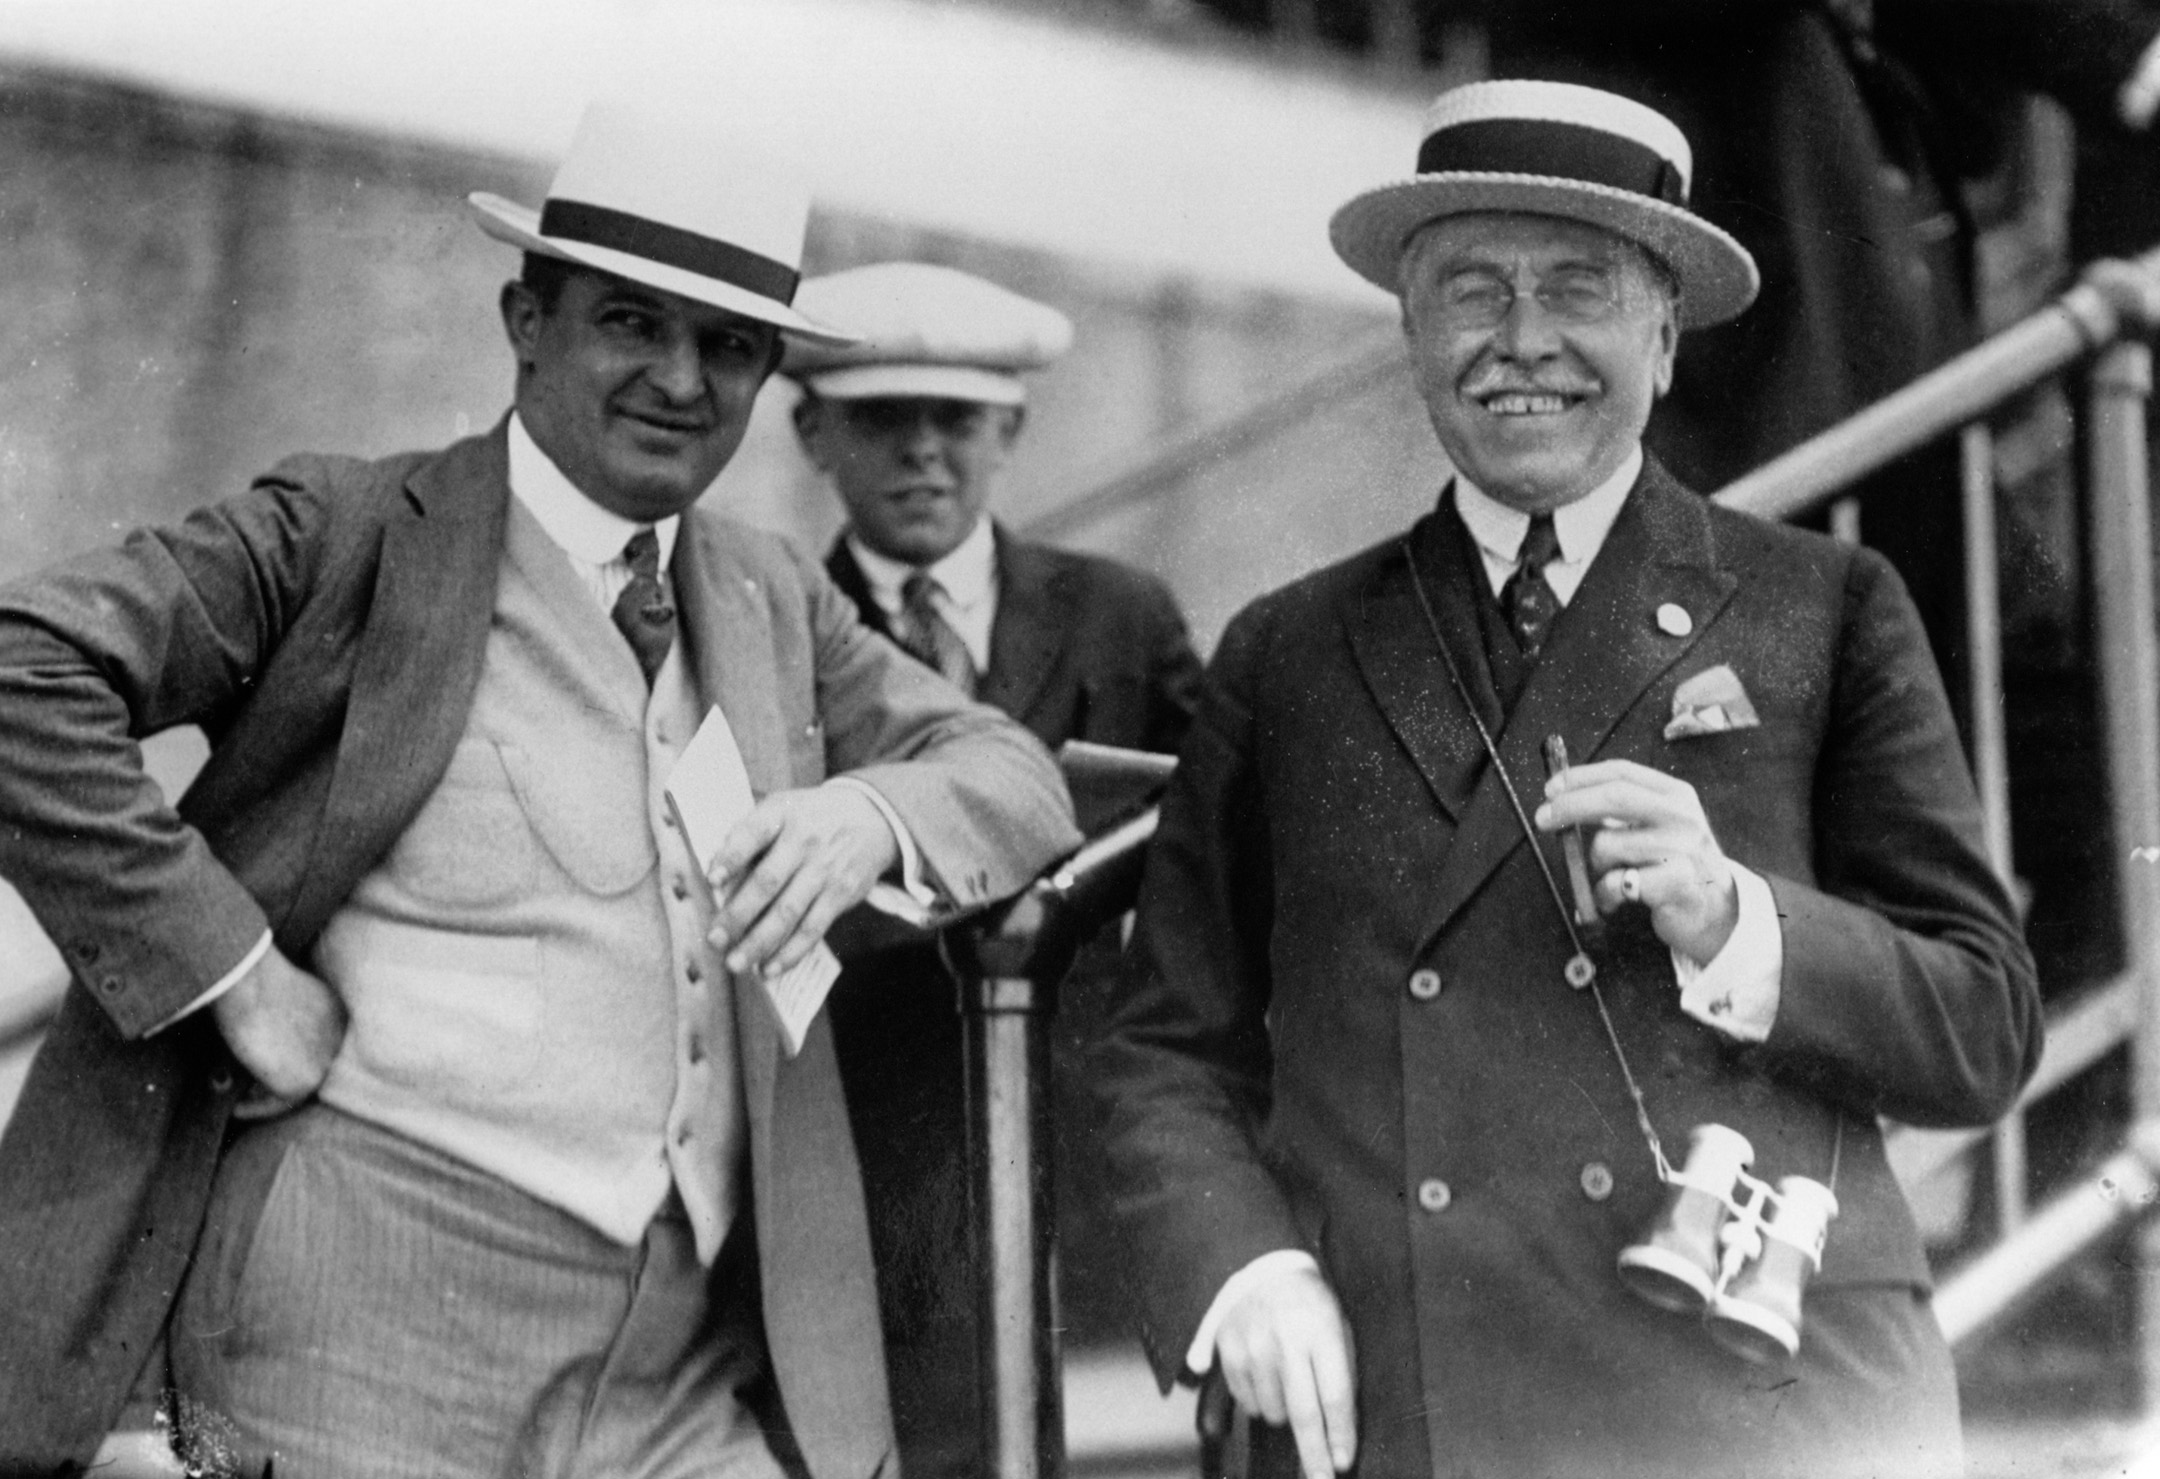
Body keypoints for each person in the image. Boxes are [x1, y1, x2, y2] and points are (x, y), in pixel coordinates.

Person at [0, 99, 1080, 1478]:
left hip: (679, 1366)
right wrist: (232, 969)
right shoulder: (345, 536)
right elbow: (23, 669)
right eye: (631, 321)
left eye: (730, 346)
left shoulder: (768, 591)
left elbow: (1011, 772)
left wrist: (872, 809)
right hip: (363, 1329)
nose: (682, 380)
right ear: (526, 320)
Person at [1091, 79, 2041, 1479]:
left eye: (1577, 287)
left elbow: (1985, 1021)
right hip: (1406, 1398)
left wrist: (1742, 921)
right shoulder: (1285, 652)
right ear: (1410, 329)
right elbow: (1166, 1046)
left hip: (1756, 1399)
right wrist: (1243, 1268)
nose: (1521, 341)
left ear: (1664, 329)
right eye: (1472, 290)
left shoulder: (1822, 606)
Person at [782, 261, 1202, 1478]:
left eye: (955, 422)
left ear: (1009, 430)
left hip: (1071, 1139)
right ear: (813, 432)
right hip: (857, 1145)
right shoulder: (776, 620)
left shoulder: (1120, 616)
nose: (922, 455)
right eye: (880, 421)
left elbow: (1214, 854)